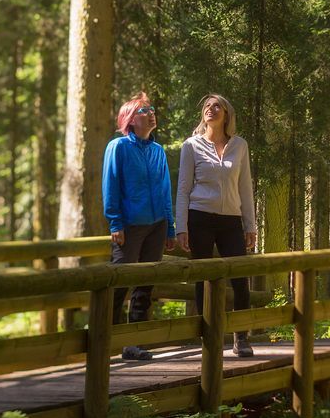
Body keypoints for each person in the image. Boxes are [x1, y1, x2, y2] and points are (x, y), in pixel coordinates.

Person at [175, 94, 257, 357]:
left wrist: (250, 225)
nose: (211, 109)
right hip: (199, 217)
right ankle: (208, 338)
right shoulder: (191, 146)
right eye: (207, 106)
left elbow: (245, 188)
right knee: (204, 279)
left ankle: (241, 338)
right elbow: (183, 188)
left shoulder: (240, 146)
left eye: (217, 105)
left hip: (231, 220)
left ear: (227, 114)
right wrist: (181, 227)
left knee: (240, 278)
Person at [102, 92, 176, 360]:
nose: (152, 113)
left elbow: (165, 191)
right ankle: (104, 339)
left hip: (156, 226)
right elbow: (111, 186)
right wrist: (115, 222)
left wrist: (169, 227)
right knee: (119, 284)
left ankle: (133, 344)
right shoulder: (118, 147)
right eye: (145, 111)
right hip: (130, 226)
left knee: (145, 286)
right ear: (130, 120)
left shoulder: (158, 151)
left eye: (152, 109)